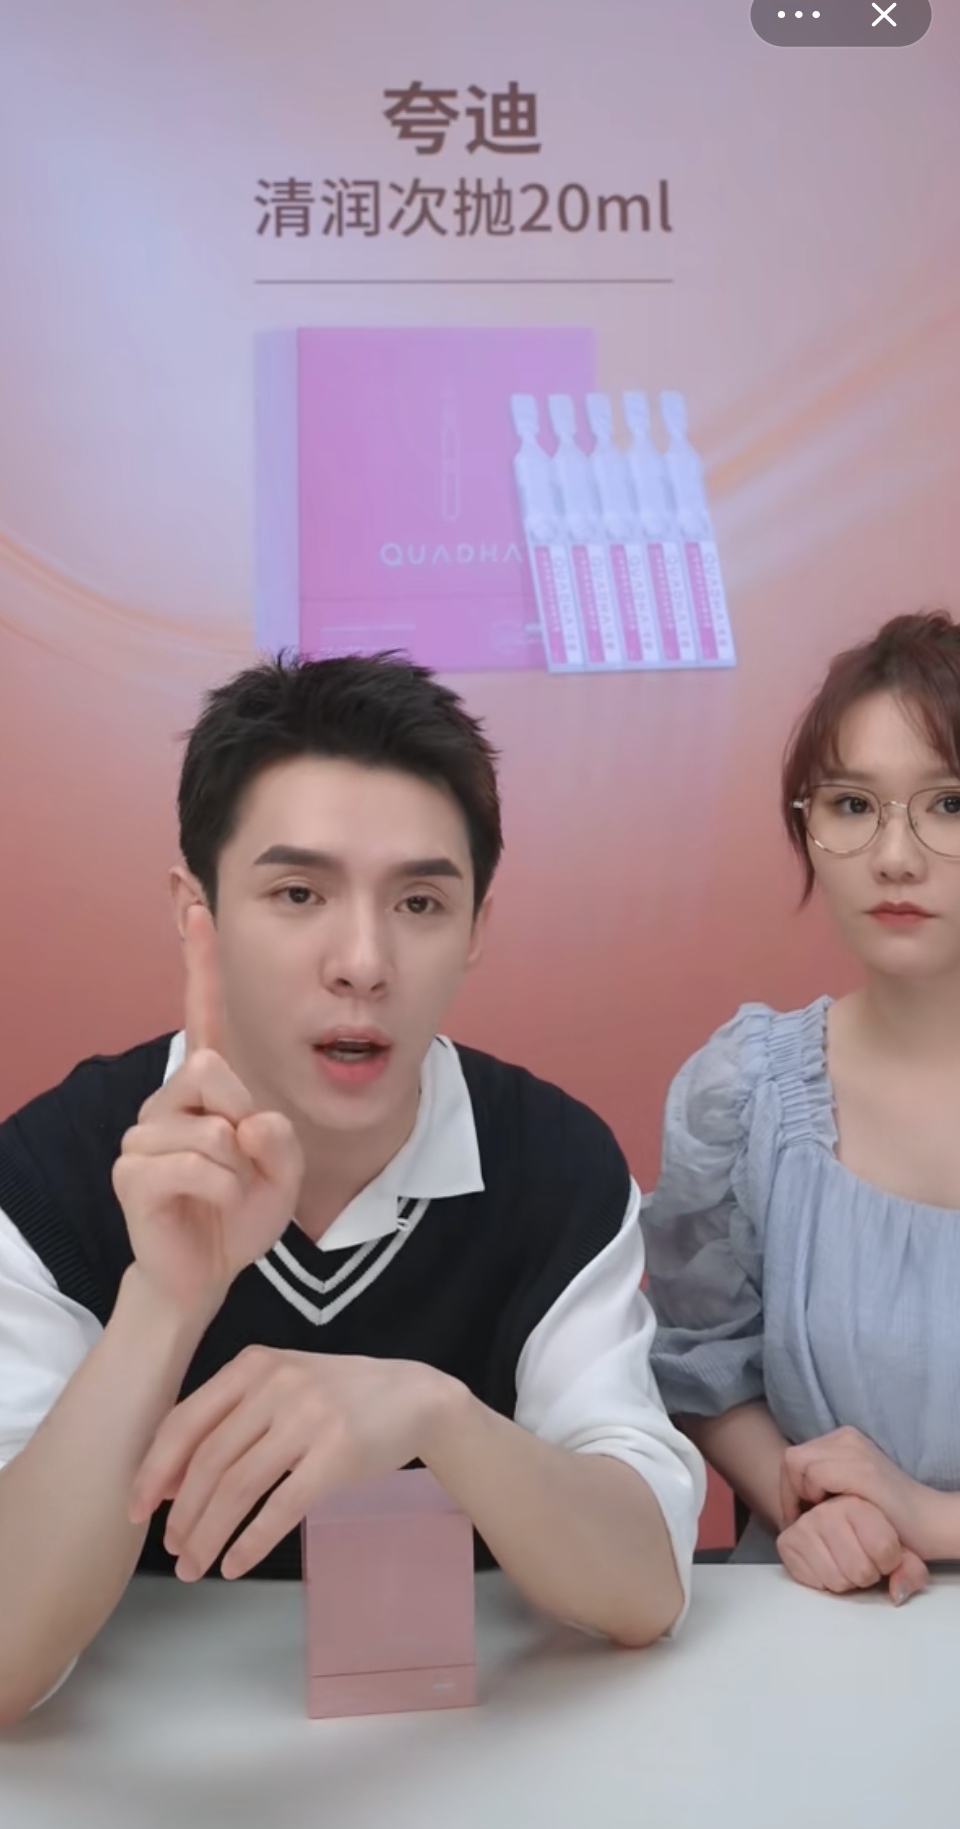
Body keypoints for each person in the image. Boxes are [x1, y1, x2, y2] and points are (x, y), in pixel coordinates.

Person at [0, 651, 703, 1723]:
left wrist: (438, 1415)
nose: (364, 961)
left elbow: (644, 1586)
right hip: (156, 1757)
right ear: (197, 910)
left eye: (420, 901)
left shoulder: (555, 1163)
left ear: (477, 926)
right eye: (298, 893)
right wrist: (165, 1300)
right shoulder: (50, 1168)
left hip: (472, 1754)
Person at [641, 612, 960, 1606]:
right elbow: (702, 1365)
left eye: (949, 803)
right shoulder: (745, 1091)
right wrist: (811, 1503)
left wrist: (928, 1517)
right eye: (853, 804)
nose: (895, 857)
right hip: (815, 1623)